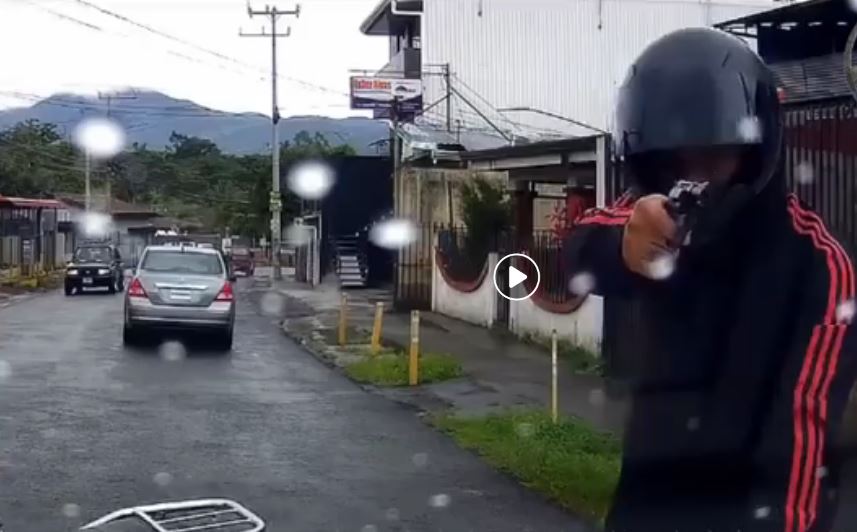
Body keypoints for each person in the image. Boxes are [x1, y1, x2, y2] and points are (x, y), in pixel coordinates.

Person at [565, 28, 857, 532]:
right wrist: (623, 248)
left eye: (713, 152)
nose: (693, 177)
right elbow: (581, 247)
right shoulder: (663, 220)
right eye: (674, 161)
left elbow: (801, 463)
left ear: (757, 144)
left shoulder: (818, 264)